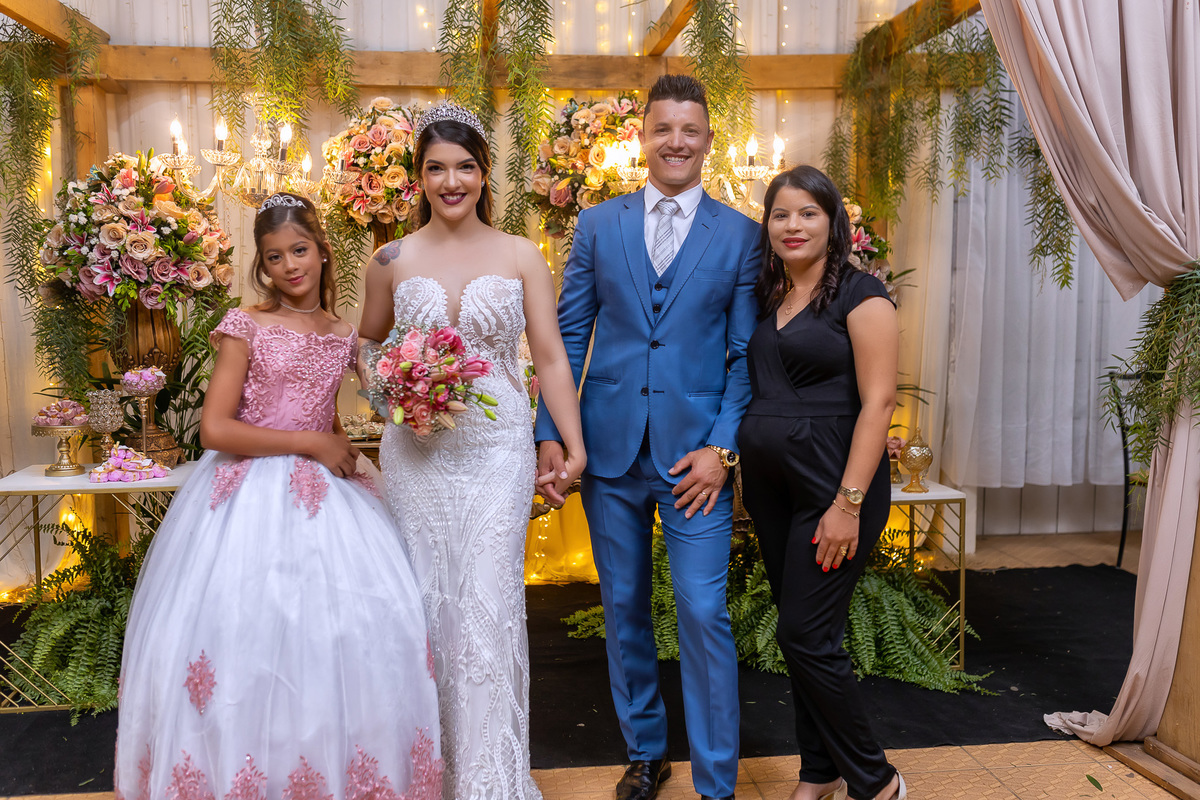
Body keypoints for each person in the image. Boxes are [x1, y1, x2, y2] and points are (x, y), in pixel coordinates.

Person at [114, 193, 442, 800]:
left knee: (344, 632)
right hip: (248, 494)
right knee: (246, 633)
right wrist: (311, 443)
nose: (290, 265)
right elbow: (215, 429)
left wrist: (347, 438)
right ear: (261, 266)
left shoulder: (344, 336)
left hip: (330, 501)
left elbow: (332, 413)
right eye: (274, 257)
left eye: (299, 250)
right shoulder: (246, 325)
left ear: (322, 251)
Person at [534, 74, 760, 800]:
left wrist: (722, 449)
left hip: (698, 460)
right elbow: (568, 337)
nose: (676, 142)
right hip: (609, 450)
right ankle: (645, 752)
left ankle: (717, 780)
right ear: (642, 137)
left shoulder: (742, 235)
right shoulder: (599, 225)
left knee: (703, 612)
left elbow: (745, 357)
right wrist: (551, 433)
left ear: (709, 140)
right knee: (624, 608)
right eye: (663, 128)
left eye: (690, 130)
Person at [357, 102, 586, 800]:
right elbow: (365, 345)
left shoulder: (520, 255)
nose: (450, 181)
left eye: (464, 167)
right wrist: (392, 393)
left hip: (496, 453)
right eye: (436, 169)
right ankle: (428, 776)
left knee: (487, 604)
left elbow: (550, 357)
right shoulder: (390, 259)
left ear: (485, 174)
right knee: (424, 609)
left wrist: (571, 443)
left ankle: (489, 781)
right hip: (417, 453)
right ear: (419, 177)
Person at [737, 165, 905, 800]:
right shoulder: (770, 297)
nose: (793, 225)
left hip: (834, 486)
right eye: (780, 214)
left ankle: (877, 779)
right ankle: (819, 770)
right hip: (773, 491)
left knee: (803, 635)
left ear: (834, 222)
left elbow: (879, 403)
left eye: (808, 212)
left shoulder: (864, 296)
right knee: (807, 635)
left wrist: (848, 503)